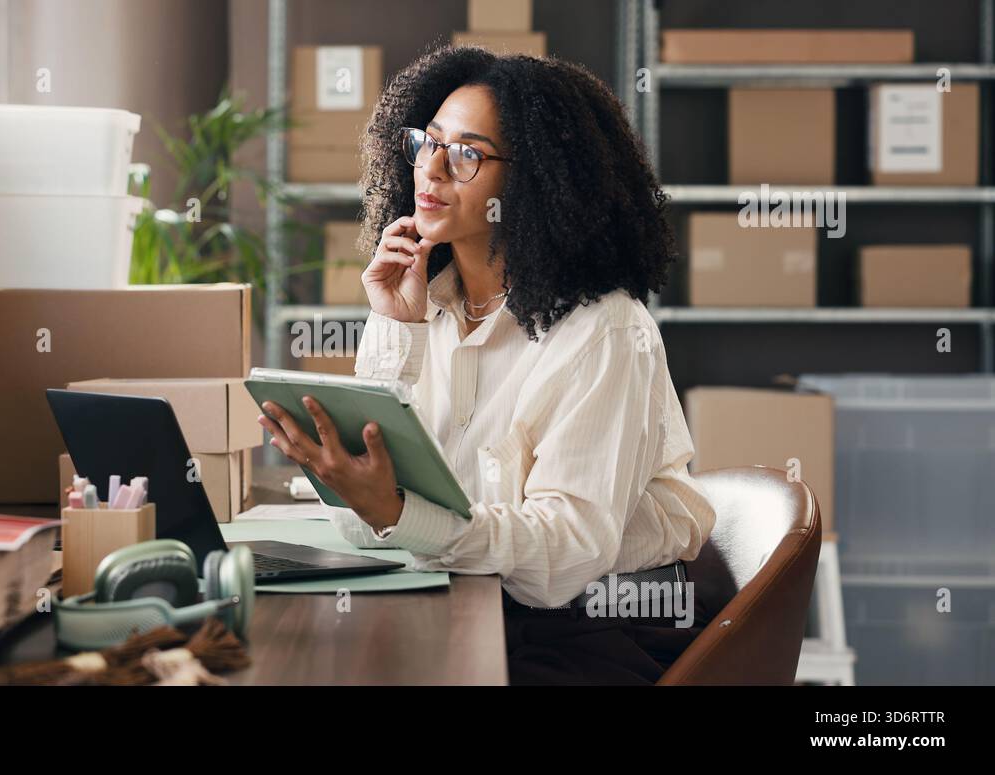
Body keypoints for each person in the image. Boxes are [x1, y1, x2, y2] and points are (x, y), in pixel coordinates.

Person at [256, 46, 720, 684]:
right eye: (429, 141)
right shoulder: (422, 302)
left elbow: (563, 554)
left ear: (533, 182)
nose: (433, 168)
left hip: (584, 631)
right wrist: (399, 330)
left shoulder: (605, 330)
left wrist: (395, 513)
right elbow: (368, 522)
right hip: (470, 602)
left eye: (468, 154)